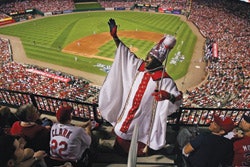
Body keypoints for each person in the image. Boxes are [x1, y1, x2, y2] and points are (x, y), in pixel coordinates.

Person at [98, 18, 183, 156]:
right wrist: (115, 37)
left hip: (142, 121)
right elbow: (125, 53)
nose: (146, 58)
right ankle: (118, 151)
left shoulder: (165, 79)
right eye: (148, 56)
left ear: (158, 61)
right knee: (121, 137)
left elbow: (178, 99)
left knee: (135, 145)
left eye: (150, 58)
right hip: (126, 114)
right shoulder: (140, 66)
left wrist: (168, 96)